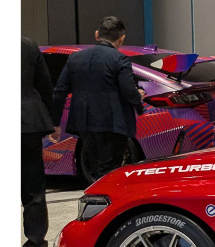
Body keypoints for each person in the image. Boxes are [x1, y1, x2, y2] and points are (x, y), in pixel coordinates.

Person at [50, 16, 145, 182]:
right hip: (112, 123)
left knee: (95, 168)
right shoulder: (119, 59)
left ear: (96, 35)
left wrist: (55, 122)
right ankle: (105, 197)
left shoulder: (75, 58)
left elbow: (59, 91)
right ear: (121, 39)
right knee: (110, 171)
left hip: (83, 123)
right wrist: (139, 99)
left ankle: (97, 194)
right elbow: (128, 91)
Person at [21, 37, 58, 247]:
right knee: (33, 189)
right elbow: (45, 85)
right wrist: (51, 119)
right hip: (27, 122)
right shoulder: (27, 45)